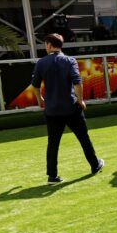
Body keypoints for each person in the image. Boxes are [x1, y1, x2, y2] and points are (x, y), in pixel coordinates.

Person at [31, 33, 103, 184]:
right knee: (83, 138)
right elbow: (77, 82)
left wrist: (40, 100)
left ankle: (52, 176)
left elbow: (35, 84)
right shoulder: (70, 60)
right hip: (71, 107)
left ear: (49, 45)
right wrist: (80, 100)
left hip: (52, 110)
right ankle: (95, 165)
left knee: (53, 143)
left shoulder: (41, 62)